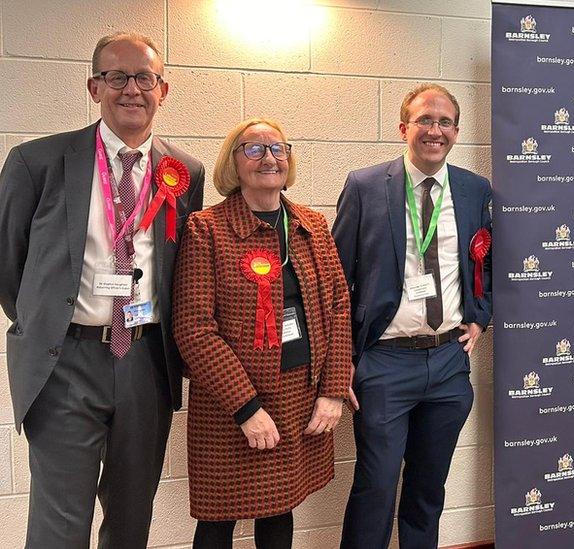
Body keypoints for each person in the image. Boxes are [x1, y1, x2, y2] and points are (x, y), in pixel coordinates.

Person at [0, 32, 204, 547]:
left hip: (144, 362)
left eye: (144, 78)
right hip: (63, 361)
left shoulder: (185, 173)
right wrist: (48, 323)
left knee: (132, 518)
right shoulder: (36, 163)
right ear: (95, 87)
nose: (131, 89)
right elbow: (9, 269)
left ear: (164, 89)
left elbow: (181, 270)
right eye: (117, 77)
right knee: (59, 525)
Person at [172, 117, 352, 548]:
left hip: (298, 398)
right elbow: (194, 328)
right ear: (234, 162)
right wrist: (247, 408)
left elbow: (339, 308)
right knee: (218, 521)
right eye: (253, 149)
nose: (269, 158)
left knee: (279, 510)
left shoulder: (312, 225)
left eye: (278, 149)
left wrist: (333, 390)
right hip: (229, 407)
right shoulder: (206, 229)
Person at [333, 83, 492, 549]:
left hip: (447, 363)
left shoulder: (474, 189)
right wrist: (340, 358)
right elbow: (338, 279)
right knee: (376, 486)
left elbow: (488, 263)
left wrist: (479, 317)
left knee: (428, 489)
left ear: (456, 132)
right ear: (404, 128)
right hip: (383, 363)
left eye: (444, 122)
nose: (434, 130)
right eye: (424, 120)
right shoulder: (365, 185)